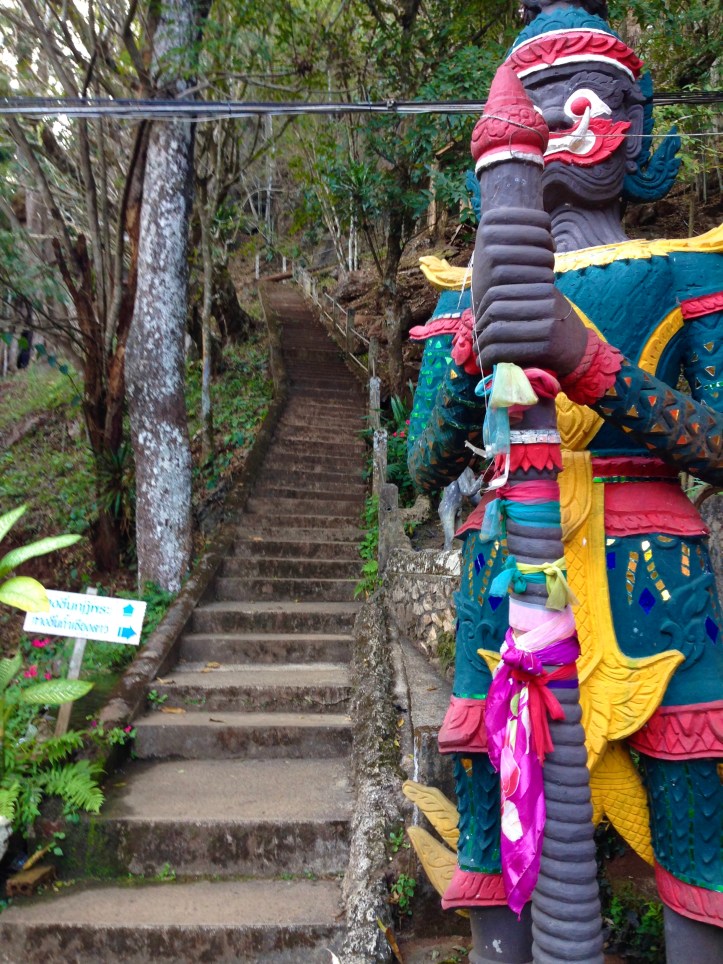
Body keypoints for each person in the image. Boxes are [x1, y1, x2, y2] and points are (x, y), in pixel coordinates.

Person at [408, 1, 723, 958]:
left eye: (586, 104)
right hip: (506, 578)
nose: (561, 131)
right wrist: (470, 352)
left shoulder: (681, 272)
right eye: (535, 109)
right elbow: (421, 465)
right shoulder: (462, 293)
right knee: (499, 818)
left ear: (632, 124)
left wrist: (588, 365)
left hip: (654, 587)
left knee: (695, 831)